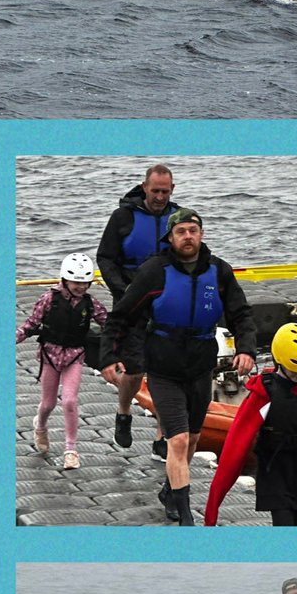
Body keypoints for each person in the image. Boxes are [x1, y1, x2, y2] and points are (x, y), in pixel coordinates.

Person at [100, 208, 256, 525]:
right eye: (181, 231)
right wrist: (108, 357)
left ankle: (169, 491)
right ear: (170, 238)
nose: (188, 236)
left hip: (200, 366)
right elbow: (121, 316)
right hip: (162, 366)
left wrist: (246, 349)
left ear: (201, 235)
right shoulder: (154, 272)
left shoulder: (219, 272)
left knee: (193, 440)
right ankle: (186, 518)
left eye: (193, 231)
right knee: (179, 440)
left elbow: (241, 315)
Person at [203, 323, 297, 526]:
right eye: (294, 371)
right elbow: (235, 450)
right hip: (276, 474)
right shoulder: (263, 393)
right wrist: (211, 513)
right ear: (279, 362)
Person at [96, 164, 181, 459]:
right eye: (155, 190)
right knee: (135, 371)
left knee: (166, 370)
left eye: (165, 191)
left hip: (168, 303)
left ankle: (161, 435)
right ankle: (123, 412)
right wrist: (123, 291)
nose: (159, 196)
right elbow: (105, 258)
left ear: (172, 190)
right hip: (132, 302)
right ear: (144, 187)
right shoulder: (123, 217)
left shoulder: (179, 218)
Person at [17, 252, 108, 471]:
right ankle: (40, 425)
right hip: (50, 355)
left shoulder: (90, 304)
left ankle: (71, 449)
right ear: (65, 279)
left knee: (69, 401)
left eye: (85, 283)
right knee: (48, 403)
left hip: (75, 355)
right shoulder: (49, 299)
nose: (81, 287)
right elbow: (31, 324)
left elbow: (108, 322)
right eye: (76, 282)